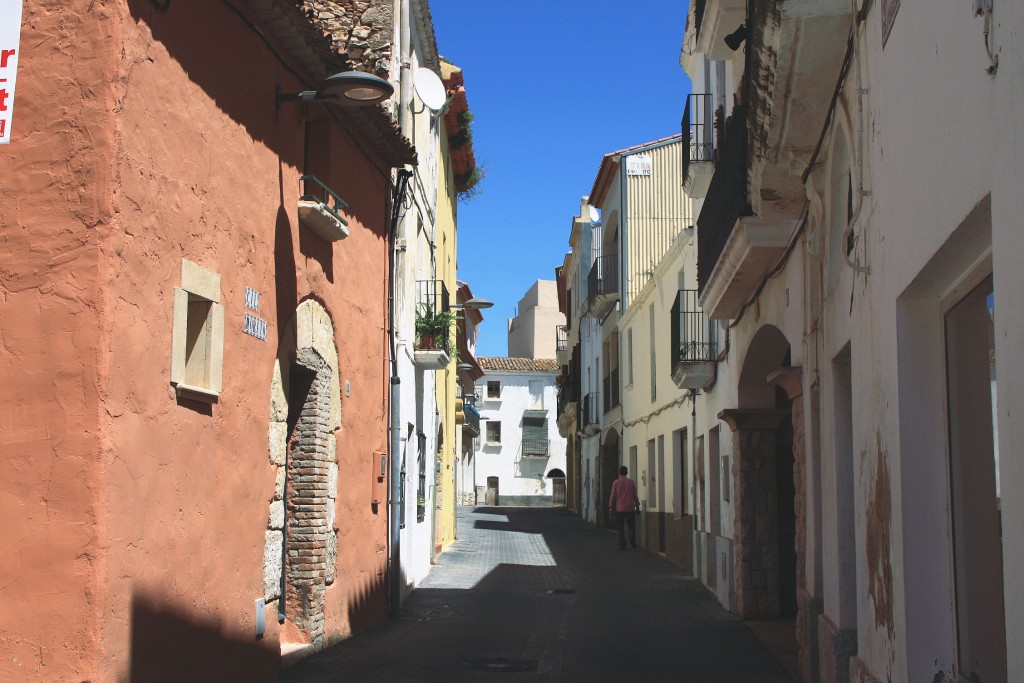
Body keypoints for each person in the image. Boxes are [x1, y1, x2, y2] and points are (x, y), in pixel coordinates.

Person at [608, 465, 639, 551]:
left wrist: (610, 507)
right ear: (627, 472)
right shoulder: (631, 482)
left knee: (620, 527)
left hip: (620, 509)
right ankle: (631, 537)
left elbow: (613, 496)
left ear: (619, 472)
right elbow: (634, 495)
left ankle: (622, 544)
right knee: (631, 525)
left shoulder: (616, 483)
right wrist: (637, 505)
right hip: (630, 508)